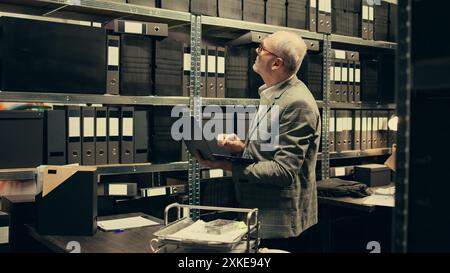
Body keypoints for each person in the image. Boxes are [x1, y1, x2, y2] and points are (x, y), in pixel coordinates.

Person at [194, 31, 321, 252]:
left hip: (280, 226)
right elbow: (268, 151)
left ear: (276, 63)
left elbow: (283, 171)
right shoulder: (272, 94)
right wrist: (241, 147)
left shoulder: (297, 103)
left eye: (262, 48)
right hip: (259, 216)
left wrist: (227, 166)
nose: (256, 51)